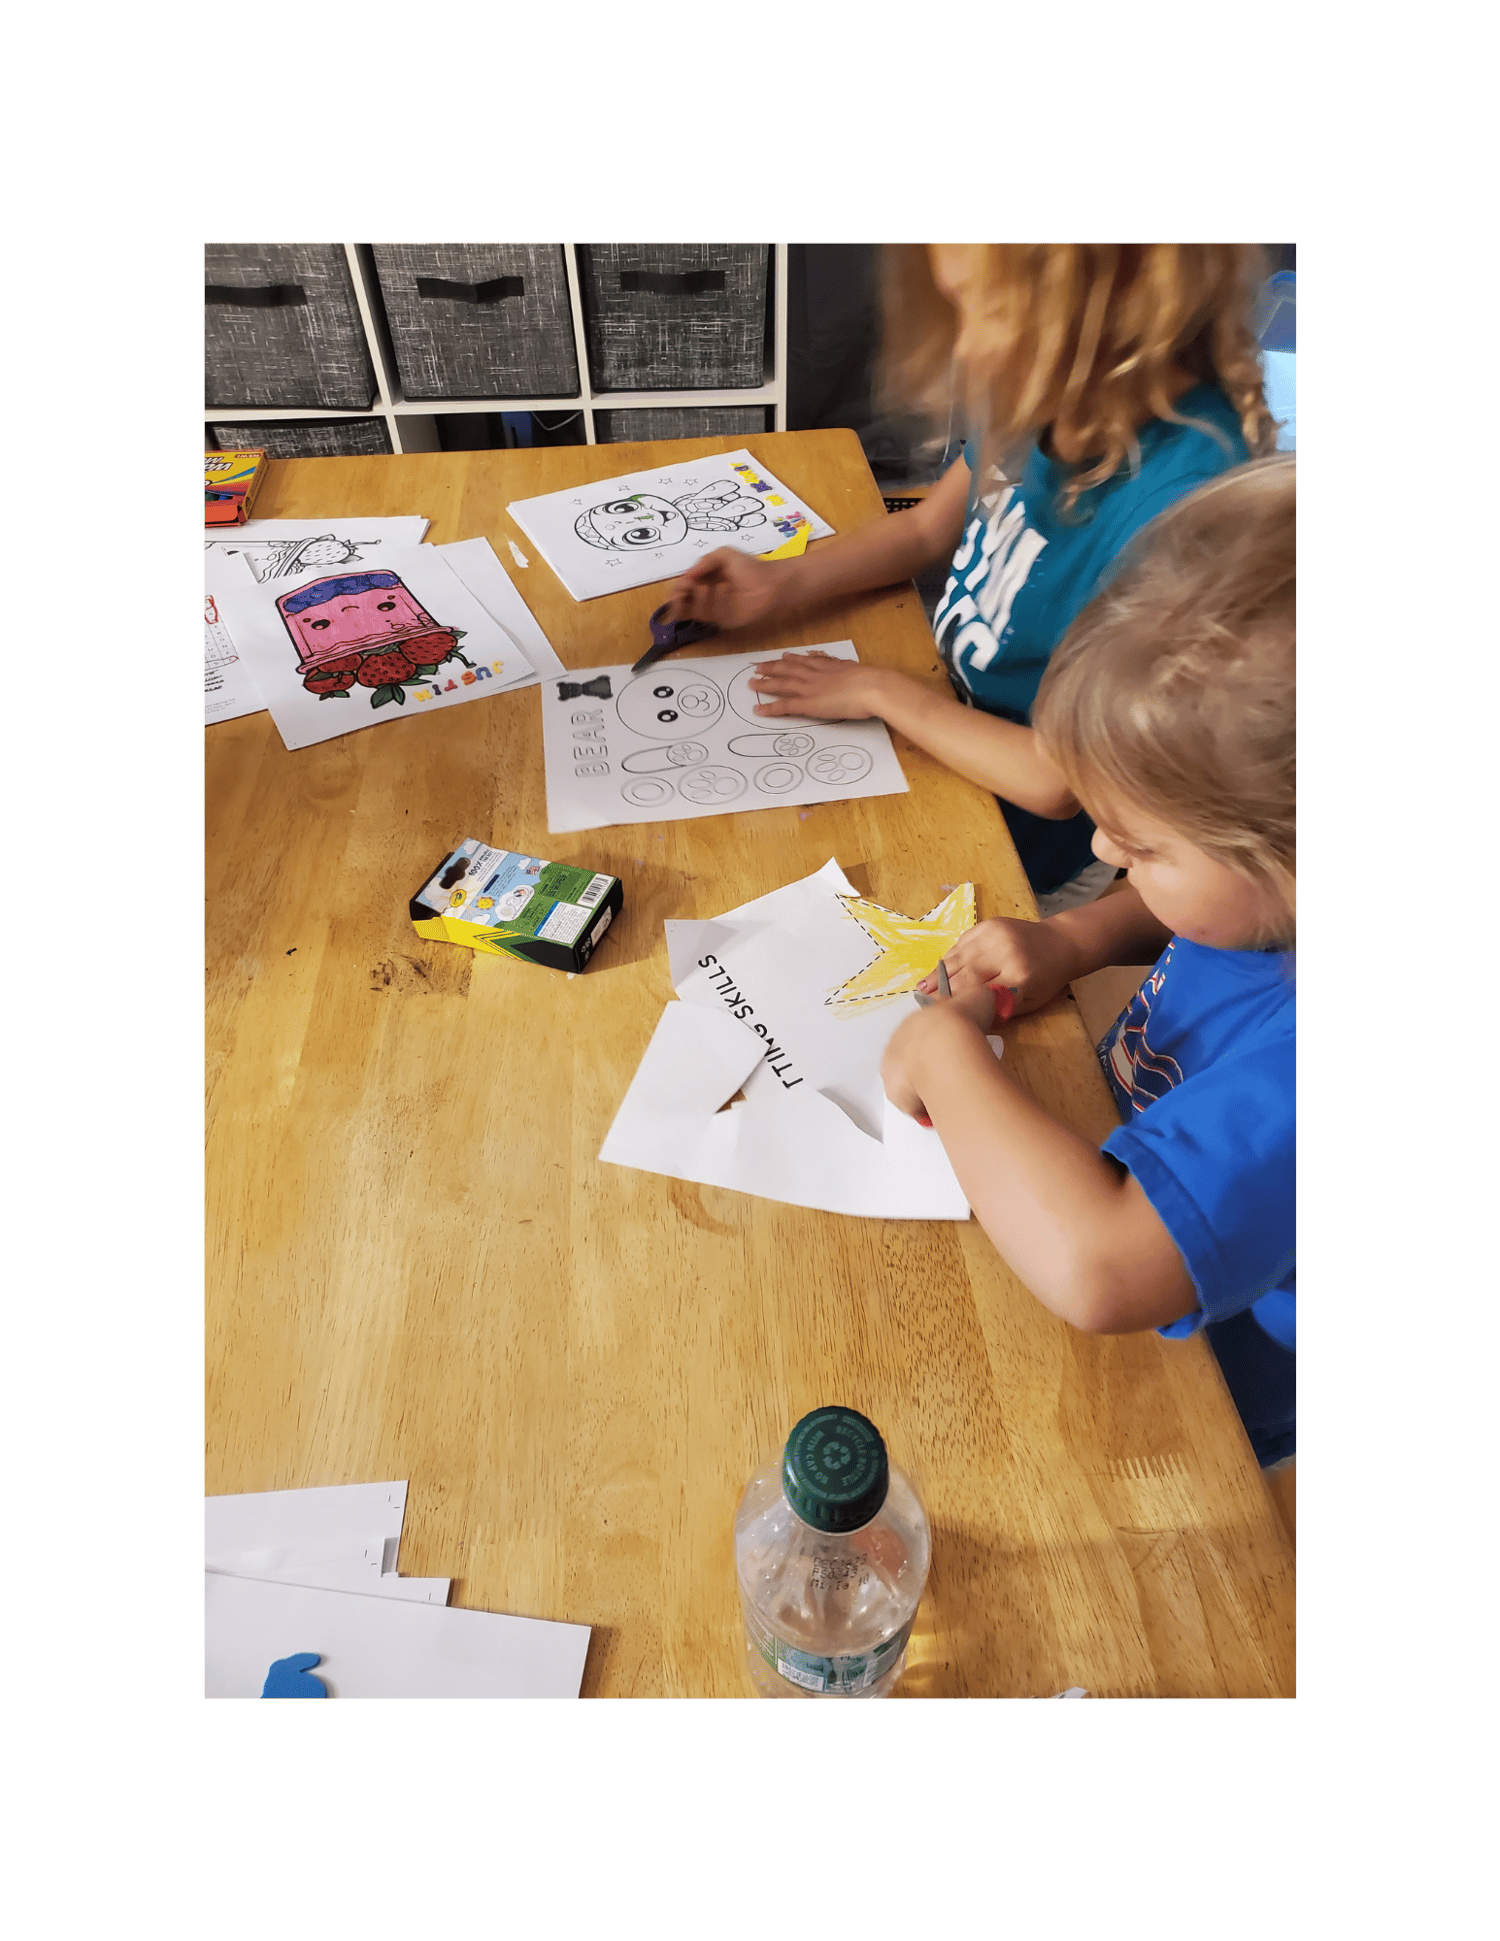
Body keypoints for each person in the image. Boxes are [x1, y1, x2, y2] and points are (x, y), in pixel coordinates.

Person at [882, 460, 1297, 1464]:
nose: (1104, 850)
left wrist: (941, 1052)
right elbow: (1227, 918)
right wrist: (1077, 938)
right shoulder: (1271, 900)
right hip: (1137, 1155)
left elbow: (1101, 1268)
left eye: (1143, 845)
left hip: (1206, 1365)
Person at [662, 244, 1279, 910]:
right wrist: (778, 583)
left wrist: (877, 690)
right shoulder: (1056, 392)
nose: (962, 348)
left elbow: (1058, 780)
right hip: (941, 735)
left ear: (1111, 308)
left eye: (988, 309)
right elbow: (925, 531)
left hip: (1023, 849)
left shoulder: (1182, 509)